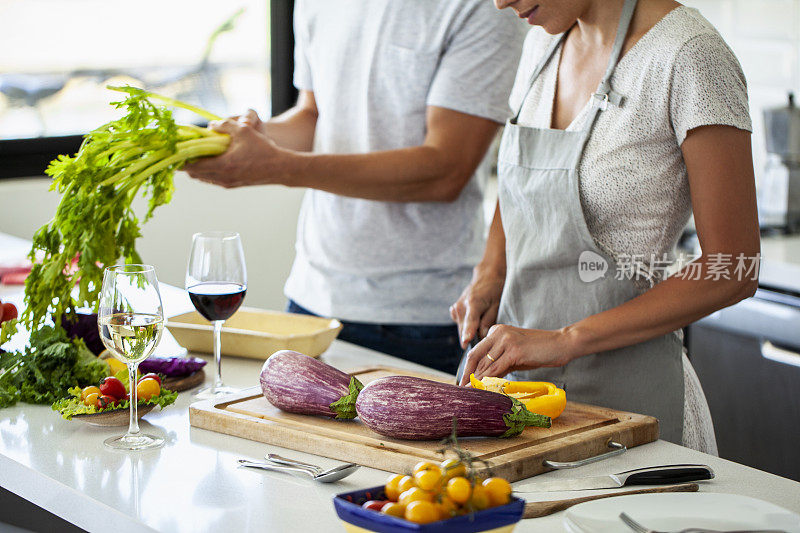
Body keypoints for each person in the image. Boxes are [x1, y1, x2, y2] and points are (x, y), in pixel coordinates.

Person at [451, 0, 759, 451]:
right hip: (522, 403)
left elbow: (734, 268)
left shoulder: (691, 56)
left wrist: (566, 340)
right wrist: (490, 271)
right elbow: (520, 177)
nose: (500, 2)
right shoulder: (542, 44)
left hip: (637, 410)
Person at [184, 2, 526, 374]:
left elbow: (444, 171)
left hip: (420, 318)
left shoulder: (486, 6)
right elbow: (314, 116)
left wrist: (278, 166)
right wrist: (255, 138)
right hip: (309, 298)